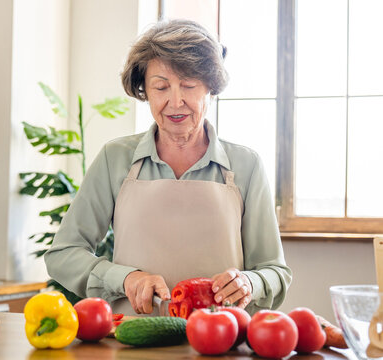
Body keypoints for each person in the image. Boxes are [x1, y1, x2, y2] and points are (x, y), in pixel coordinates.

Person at [45, 19, 292, 315]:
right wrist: (124, 278)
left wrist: (249, 282)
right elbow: (63, 254)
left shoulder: (246, 165)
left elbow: (275, 271)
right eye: (161, 87)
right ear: (145, 92)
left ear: (211, 88)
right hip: (135, 339)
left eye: (188, 86)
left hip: (222, 341)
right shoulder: (115, 158)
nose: (175, 102)